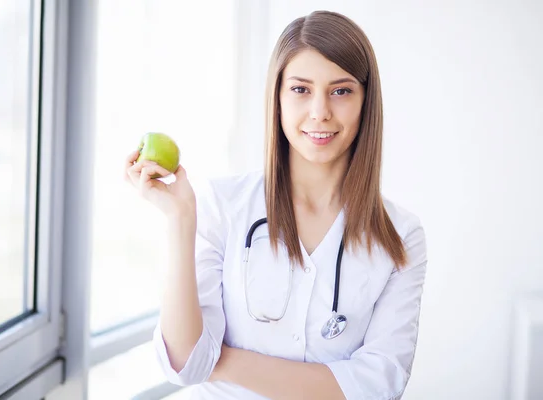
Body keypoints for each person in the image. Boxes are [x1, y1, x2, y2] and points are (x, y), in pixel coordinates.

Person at [124, 9, 428, 400]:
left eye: (341, 90)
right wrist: (181, 220)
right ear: (278, 98)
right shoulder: (222, 205)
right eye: (301, 89)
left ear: (366, 101)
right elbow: (185, 364)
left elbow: (378, 385)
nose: (320, 112)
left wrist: (223, 359)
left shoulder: (401, 236)